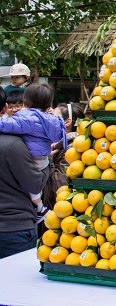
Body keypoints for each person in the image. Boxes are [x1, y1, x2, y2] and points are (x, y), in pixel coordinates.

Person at [0, 83, 66, 222]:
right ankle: (39, 208)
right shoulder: (52, 120)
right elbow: (58, 136)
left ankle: (40, 207)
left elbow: (8, 125)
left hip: (30, 155)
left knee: (32, 186)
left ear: (26, 101)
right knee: (35, 186)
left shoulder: (26, 118)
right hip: (43, 157)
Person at [0, 87, 49, 259]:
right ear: (5, 108)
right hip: (13, 229)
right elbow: (34, 183)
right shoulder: (13, 145)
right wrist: (45, 164)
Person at [43, 102, 86, 209]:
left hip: (59, 211)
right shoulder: (57, 144)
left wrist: (48, 160)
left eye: (53, 117)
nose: (49, 120)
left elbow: (61, 186)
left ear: (67, 122)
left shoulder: (72, 150)